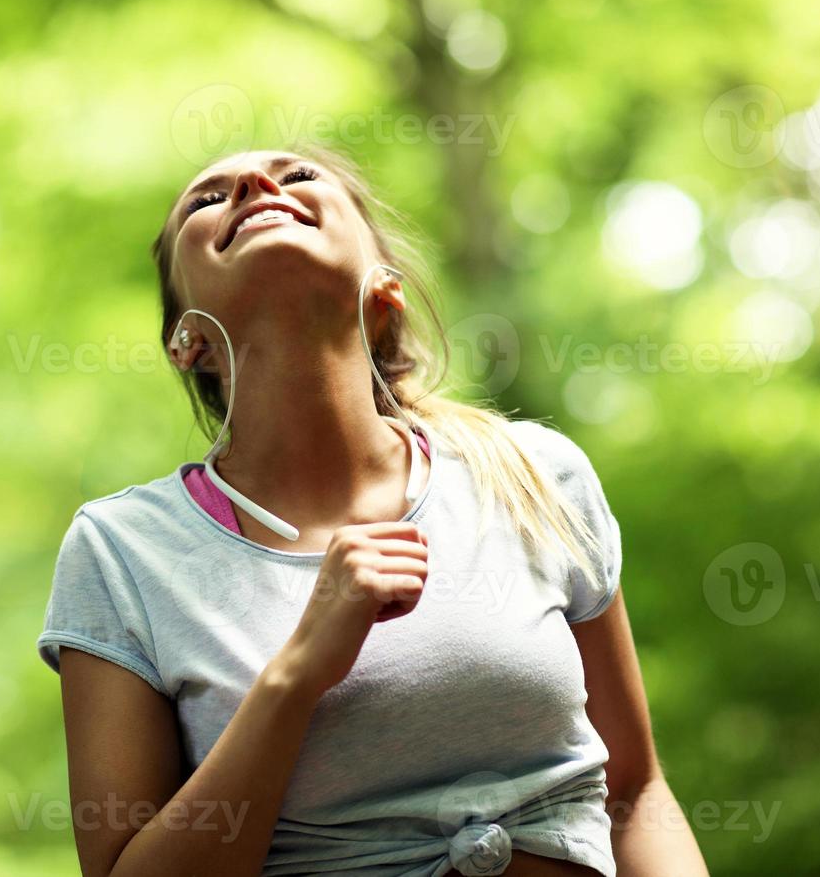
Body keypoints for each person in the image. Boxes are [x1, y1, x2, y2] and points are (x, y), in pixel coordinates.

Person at [37, 147, 709, 877]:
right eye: (208, 199)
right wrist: (298, 673)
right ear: (186, 341)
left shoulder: (535, 474)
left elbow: (636, 794)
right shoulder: (121, 552)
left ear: (385, 292)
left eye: (298, 177)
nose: (260, 186)